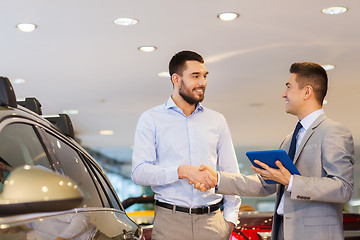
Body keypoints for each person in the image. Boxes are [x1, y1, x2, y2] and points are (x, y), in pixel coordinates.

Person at [196, 62, 354, 240]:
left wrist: (291, 181)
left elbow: (343, 188)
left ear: (307, 92)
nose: (283, 94)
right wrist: (217, 179)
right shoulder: (289, 140)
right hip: (282, 233)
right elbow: (265, 184)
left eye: (289, 87)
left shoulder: (333, 131)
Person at [132, 50, 241, 240]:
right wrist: (181, 171)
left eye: (205, 76)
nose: (202, 83)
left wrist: (229, 220)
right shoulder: (151, 119)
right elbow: (139, 172)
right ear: (176, 79)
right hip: (170, 223)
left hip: (213, 223)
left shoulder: (217, 120)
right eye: (195, 76)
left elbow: (231, 172)